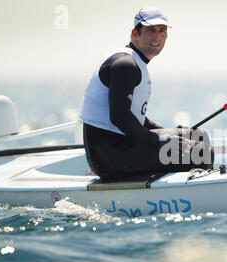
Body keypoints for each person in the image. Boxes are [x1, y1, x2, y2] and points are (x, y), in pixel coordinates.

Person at [80, 6, 213, 179]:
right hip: (109, 157)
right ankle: (192, 197)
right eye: (151, 30)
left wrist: (165, 132)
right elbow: (119, 117)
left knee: (197, 136)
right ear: (135, 34)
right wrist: (159, 140)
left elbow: (136, 119)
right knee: (200, 152)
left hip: (123, 144)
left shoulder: (134, 61)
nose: (157, 36)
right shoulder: (125, 65)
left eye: (162, 31)